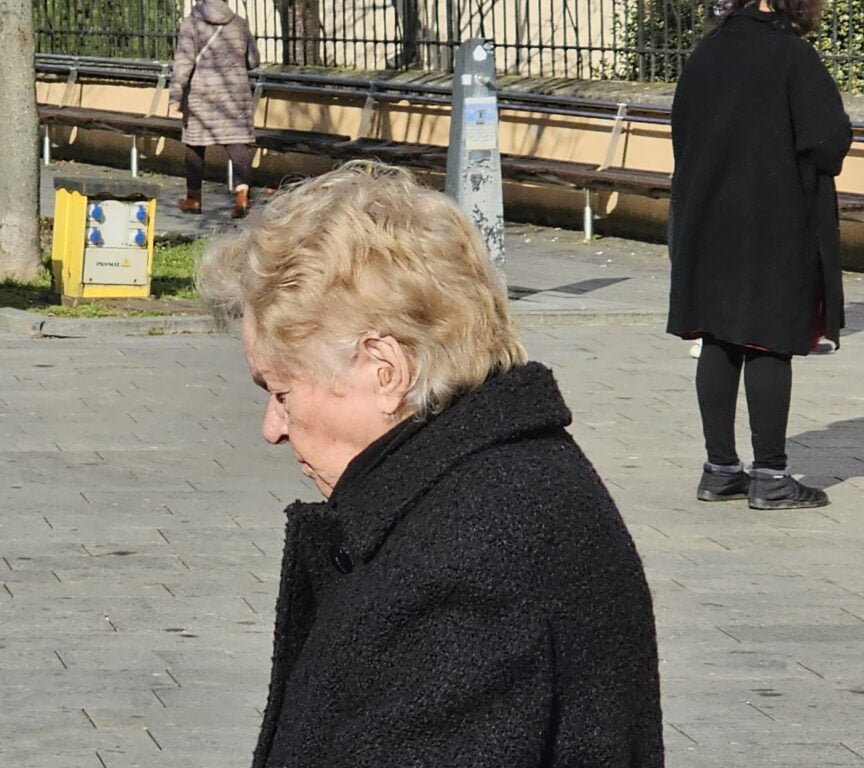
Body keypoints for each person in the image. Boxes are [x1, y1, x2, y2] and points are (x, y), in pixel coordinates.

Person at [198, 161, 664, 768]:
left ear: (384, 370)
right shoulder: (503, 482)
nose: (272, 428)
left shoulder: (466, 563)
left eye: (281, 391)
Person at [668, 0, 851, 510]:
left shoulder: (705, 54)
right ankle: (771, 475)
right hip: (774, 219)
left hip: (707, 215)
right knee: (769, 339)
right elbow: (827, 141)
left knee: (718, 336)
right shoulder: (792, 56)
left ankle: (720, 469)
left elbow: (681, 134)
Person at [169, 0, 260, 219]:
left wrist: (175, 94)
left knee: (195, 145)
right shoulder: (239, 23)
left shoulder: (191, 24)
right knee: (237, 144)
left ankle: (193, 199)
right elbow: (253, 60)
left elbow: (183, 63)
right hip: (235, 94)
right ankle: (242, 198)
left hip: (202, 94)